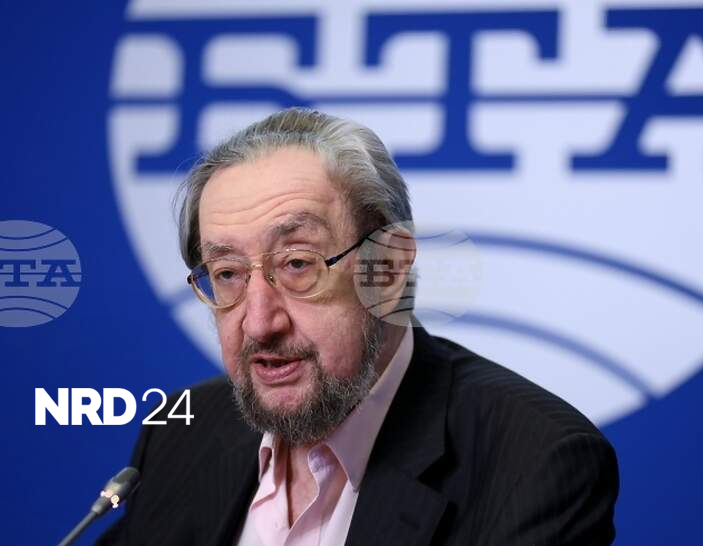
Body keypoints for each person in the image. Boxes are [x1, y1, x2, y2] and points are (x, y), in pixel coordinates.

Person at [97, 108, 619, 546]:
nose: (258, 322)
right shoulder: (181, 433)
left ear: (387, 270)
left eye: (297, 264)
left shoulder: (534, 461)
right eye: (228, 274)